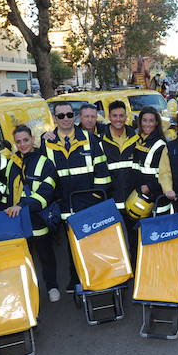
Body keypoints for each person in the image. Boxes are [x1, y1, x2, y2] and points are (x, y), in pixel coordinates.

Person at [42, 101, 111, 292]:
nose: (66, 119)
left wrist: (96, 198)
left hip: (87, 204)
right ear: (55, 118)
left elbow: (102, 171)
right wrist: (53, 200)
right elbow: (43, 175)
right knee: (71, 245)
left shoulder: (90, 139)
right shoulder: (46, 142)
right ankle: (75, 279)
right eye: (61, 116)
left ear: (75, 117)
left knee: (91, 242)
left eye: (69, 115)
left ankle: (96, 277)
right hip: (62, 205)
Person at [4, 125, 61, 302]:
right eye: (18, 141)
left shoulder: (45, 162)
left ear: (33, 140)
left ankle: (52, 287)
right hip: (16, 220)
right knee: (22, 259)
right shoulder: (12, 162)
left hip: (37, 219)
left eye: (25, 140)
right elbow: (6, 188)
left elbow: (47, 191)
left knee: (46, 256)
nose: (22, 144)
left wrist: (23, 205)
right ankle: (27, 290)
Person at [99, 100, 139, 211]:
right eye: (114, 116)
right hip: (111, 202)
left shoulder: (136, 139)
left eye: (121, 116)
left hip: (133, 201)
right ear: (109, 117)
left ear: (126, 117)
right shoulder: (100, 141)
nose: (118, 119)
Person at [132, 106, 168, 211]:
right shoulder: (138, 140)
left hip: (154, 195)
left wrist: (150, 186)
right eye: (144, 120)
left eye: (151, 121)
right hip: (139, 194)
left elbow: (165, 173)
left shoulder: (161, 144)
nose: (147, 124)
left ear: (157, 123)